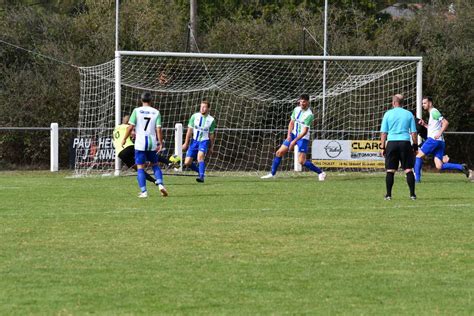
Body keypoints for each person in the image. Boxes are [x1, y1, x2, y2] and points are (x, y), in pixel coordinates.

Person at [261, 94, 326, 180]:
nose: (302, 103)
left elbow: (304, 131)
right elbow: (291, 123)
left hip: (302, 138)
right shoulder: (296, 109)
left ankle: (321, 173)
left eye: (304, 101)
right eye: (301, 101)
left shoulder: (309, 115)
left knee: (301, 161)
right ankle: (272, 174)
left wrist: (294, 141)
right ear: (299, 101)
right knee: (279, 152)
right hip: (293, 134)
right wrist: (289, 135)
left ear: (307, 102)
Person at [414, 96, 472, 182]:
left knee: (418, 156)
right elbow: (433, 127)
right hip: (440, 142)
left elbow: (445, 122)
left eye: (425, 103)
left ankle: (417, 180)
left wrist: (439, 133)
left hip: (433, 140)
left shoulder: (434, 112)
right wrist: (424, 125)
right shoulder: (432, 113)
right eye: (422, 103)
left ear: (430, 103)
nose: (423, 105)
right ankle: (462, 167)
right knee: (439, 165)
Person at [122, 92, 168, 198]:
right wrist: (160, 142)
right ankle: (160, 184)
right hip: (151, 142)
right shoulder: (156, 112)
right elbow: (158, 129)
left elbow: (130, 127)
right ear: (151, 100)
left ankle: (144, 192)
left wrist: (124, 139)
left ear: (141, 100)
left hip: (140, 143)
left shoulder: (136, 111)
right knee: (155, 164)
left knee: (140, 168)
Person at [380, 94, 418, 200]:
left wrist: (382, 147)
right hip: (405, 142)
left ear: (393, 103)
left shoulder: (388, 114)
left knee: (390, 170)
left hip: (392, 143)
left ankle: (388, 195)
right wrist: (415, 146)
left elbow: (383, 133)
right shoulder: (409, 114)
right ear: (402, 103)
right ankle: (412, 195)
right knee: (408, 169)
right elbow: (414, 133)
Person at [182, 100, 216, 183]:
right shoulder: (194, 116)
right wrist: (186, 143)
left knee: (200, 157)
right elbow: (189, 131)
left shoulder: (211, 120)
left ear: (208, 108)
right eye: (201, 107)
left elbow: (211, 135)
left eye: (204, 107)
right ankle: (201, 172)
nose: (202, 108)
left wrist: (211, 147)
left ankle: (201, 177)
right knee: (187, 162)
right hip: (194, 141)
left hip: (204, 141)